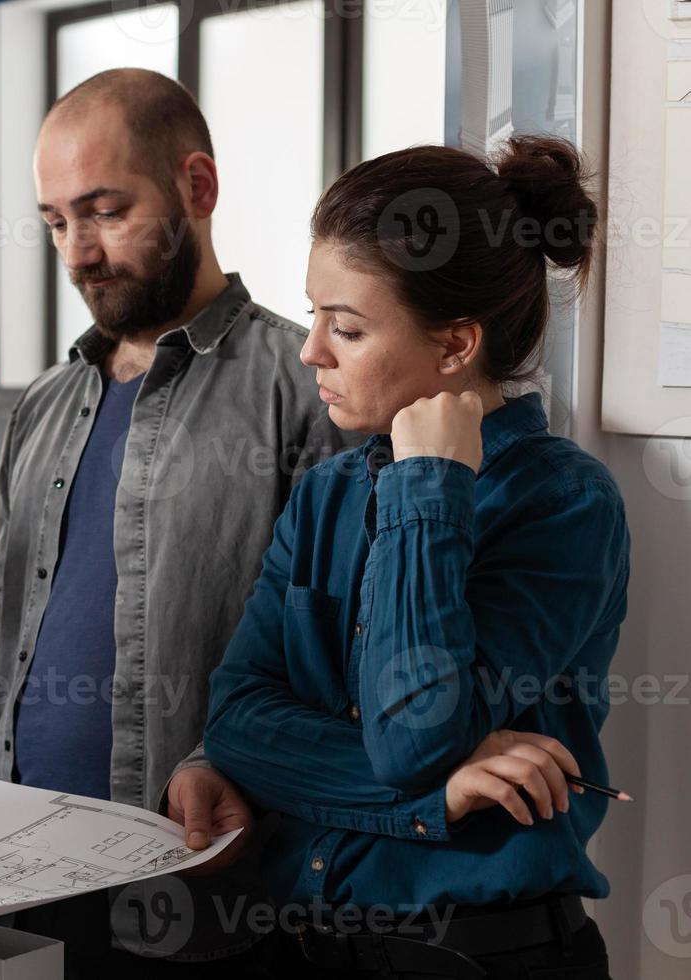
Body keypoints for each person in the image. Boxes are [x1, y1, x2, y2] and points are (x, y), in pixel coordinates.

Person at [0, 69, 349, 974]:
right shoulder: (48, 404)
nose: (79, 251)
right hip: (24, 887)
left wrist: (220, 756)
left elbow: (330, 656)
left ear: (196, 189)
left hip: (207, 901)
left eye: (104, 211)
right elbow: (15, 632)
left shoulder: (306, 389)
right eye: (55, 221)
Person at [203, 135, 624, 979]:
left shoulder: (565, 502)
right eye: (314, 313)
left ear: (456, 344)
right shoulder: (325, 493)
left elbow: (415, 736)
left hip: (478, 956)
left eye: (346, 327)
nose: (309, 349)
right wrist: (441, 796)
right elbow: (237, 723)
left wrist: (430, 481)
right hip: (301, 947)